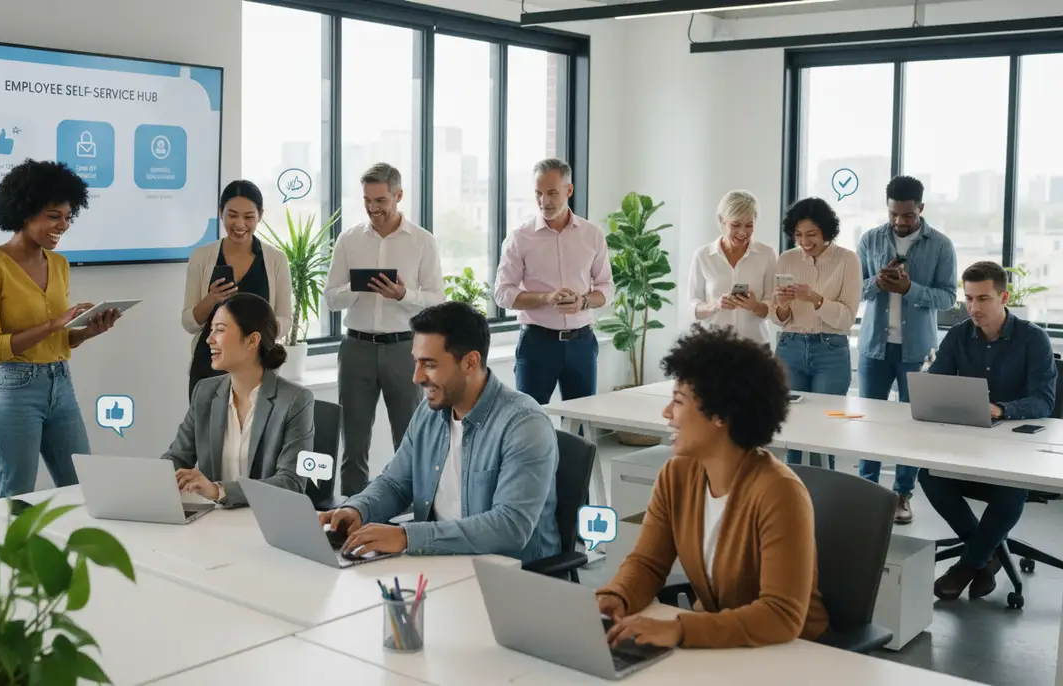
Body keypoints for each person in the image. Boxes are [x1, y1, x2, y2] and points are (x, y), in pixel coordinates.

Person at [596, 325, 828, 650]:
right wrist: (615, 597)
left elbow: (781, 615)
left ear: (720, 414)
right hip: (723, 646)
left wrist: (680, 629)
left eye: (678, 401)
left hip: (789, 655)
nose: (666, 413)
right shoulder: (676, 476)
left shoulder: (780, 492)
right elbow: (648, 563)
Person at [318, 301, 561, 564]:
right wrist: (358, 508)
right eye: (416, 363)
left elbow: (510, 527)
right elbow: (395, 483)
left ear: (470, 362)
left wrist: (407, 537)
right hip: (440, 563)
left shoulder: (524, 424)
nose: (417, 377)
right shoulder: (429, 413)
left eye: (429, 365)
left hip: (509, 577)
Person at [0, 159, 121, 498]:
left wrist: (86, 331)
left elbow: (58, 340)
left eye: (68, 217)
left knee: (84, 492)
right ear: (25, 212)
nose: (63, 225)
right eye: (54, 216)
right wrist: (54, 322)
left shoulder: (60, 264)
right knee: (16, 502)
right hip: (15, 391)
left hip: (61, 385)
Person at [917, 261, 1057, 601]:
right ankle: (986, 555)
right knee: (930, 476)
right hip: (970, 444)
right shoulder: (958, 336)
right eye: (968, 299)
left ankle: (967, 565)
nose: (973, 308)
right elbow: (937, 383)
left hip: (1014, 452)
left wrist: (1003, 409)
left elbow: (1044, 401)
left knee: (1010, 490)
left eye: (982, 299)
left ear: (1004, 297)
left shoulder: (1033, 340)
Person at [324, 163, 445, 497]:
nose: (374, 208)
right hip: (356, 349)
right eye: (367, 200)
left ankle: (412, 512)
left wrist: (402, 294)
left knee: (409, 437)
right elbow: (331, 299)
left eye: (380, 200)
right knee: (354, 440)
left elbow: (437, 301)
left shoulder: (422, 242)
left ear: (399, 195)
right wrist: (359, 287)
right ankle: (351, 512)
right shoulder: (349, 240)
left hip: (405, 351)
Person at [856, 175, 957, 524]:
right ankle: (867, 490)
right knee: (870, 421)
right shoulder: (870, 239)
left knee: (911, 425)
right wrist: (876, 283)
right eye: (894, 214)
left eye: (908, 215)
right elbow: (856, 289)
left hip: (918, 350)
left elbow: (948, 297)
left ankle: (902, 494)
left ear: (921, 209)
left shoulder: (941, 245)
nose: (900, 221)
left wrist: (910, 288)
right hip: (874, 348)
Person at [162, 293, 313, 507]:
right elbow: (177, 457)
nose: (209, 338)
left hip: (266, 522)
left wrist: (218, 490)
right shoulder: (205, 392)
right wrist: (152, 482)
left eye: (220, 330)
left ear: (252, 340)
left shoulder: (295, 401)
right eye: (211, 328)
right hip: (213, 522)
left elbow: (291, 483)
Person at [494, 157, 613, 405]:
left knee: (583, 421)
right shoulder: (519, 238)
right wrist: (546, 298)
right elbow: (503, 293)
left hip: (582, 344)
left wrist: (582, 301)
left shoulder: (592, 235)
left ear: (568, 190)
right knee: (529, 422)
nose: (544, 201)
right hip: (537, 344)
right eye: (538, 193)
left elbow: (606, 287)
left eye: (551, 193)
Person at [772, 197, 862, 470]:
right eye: (798, 235)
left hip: (830, 350)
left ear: (826, 230)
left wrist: (816, 300)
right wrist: (783, 306)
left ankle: (825, 500)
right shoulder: (786, 259)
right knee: (792, 429)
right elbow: (779, 318)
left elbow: (846, 318)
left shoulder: (847, 260)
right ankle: (793, 498)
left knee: (825, 430)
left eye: (811, 234)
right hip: (790, 347)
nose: (804, 241)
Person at [183, 180, 293, 399]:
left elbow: (286, 319)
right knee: (208, 432)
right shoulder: (201, 257)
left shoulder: (276, 260)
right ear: (221, 212)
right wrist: (211, 299)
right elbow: (189, 322)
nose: (240, 224)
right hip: (209, 367)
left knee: (256, 432)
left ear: (260, 215)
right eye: (232, 215)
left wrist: (256, 332)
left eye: (249, 217)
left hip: (257, 368)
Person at [689, 190, 777, 347]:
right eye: (735, 225)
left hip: (755, 347)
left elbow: (772, 305)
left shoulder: (767, 254)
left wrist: (755, 306)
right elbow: (693, 307)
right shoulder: (703, 255)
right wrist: (715, 305)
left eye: (749, 225)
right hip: (713, 346)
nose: (743, 232)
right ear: (723, 222)